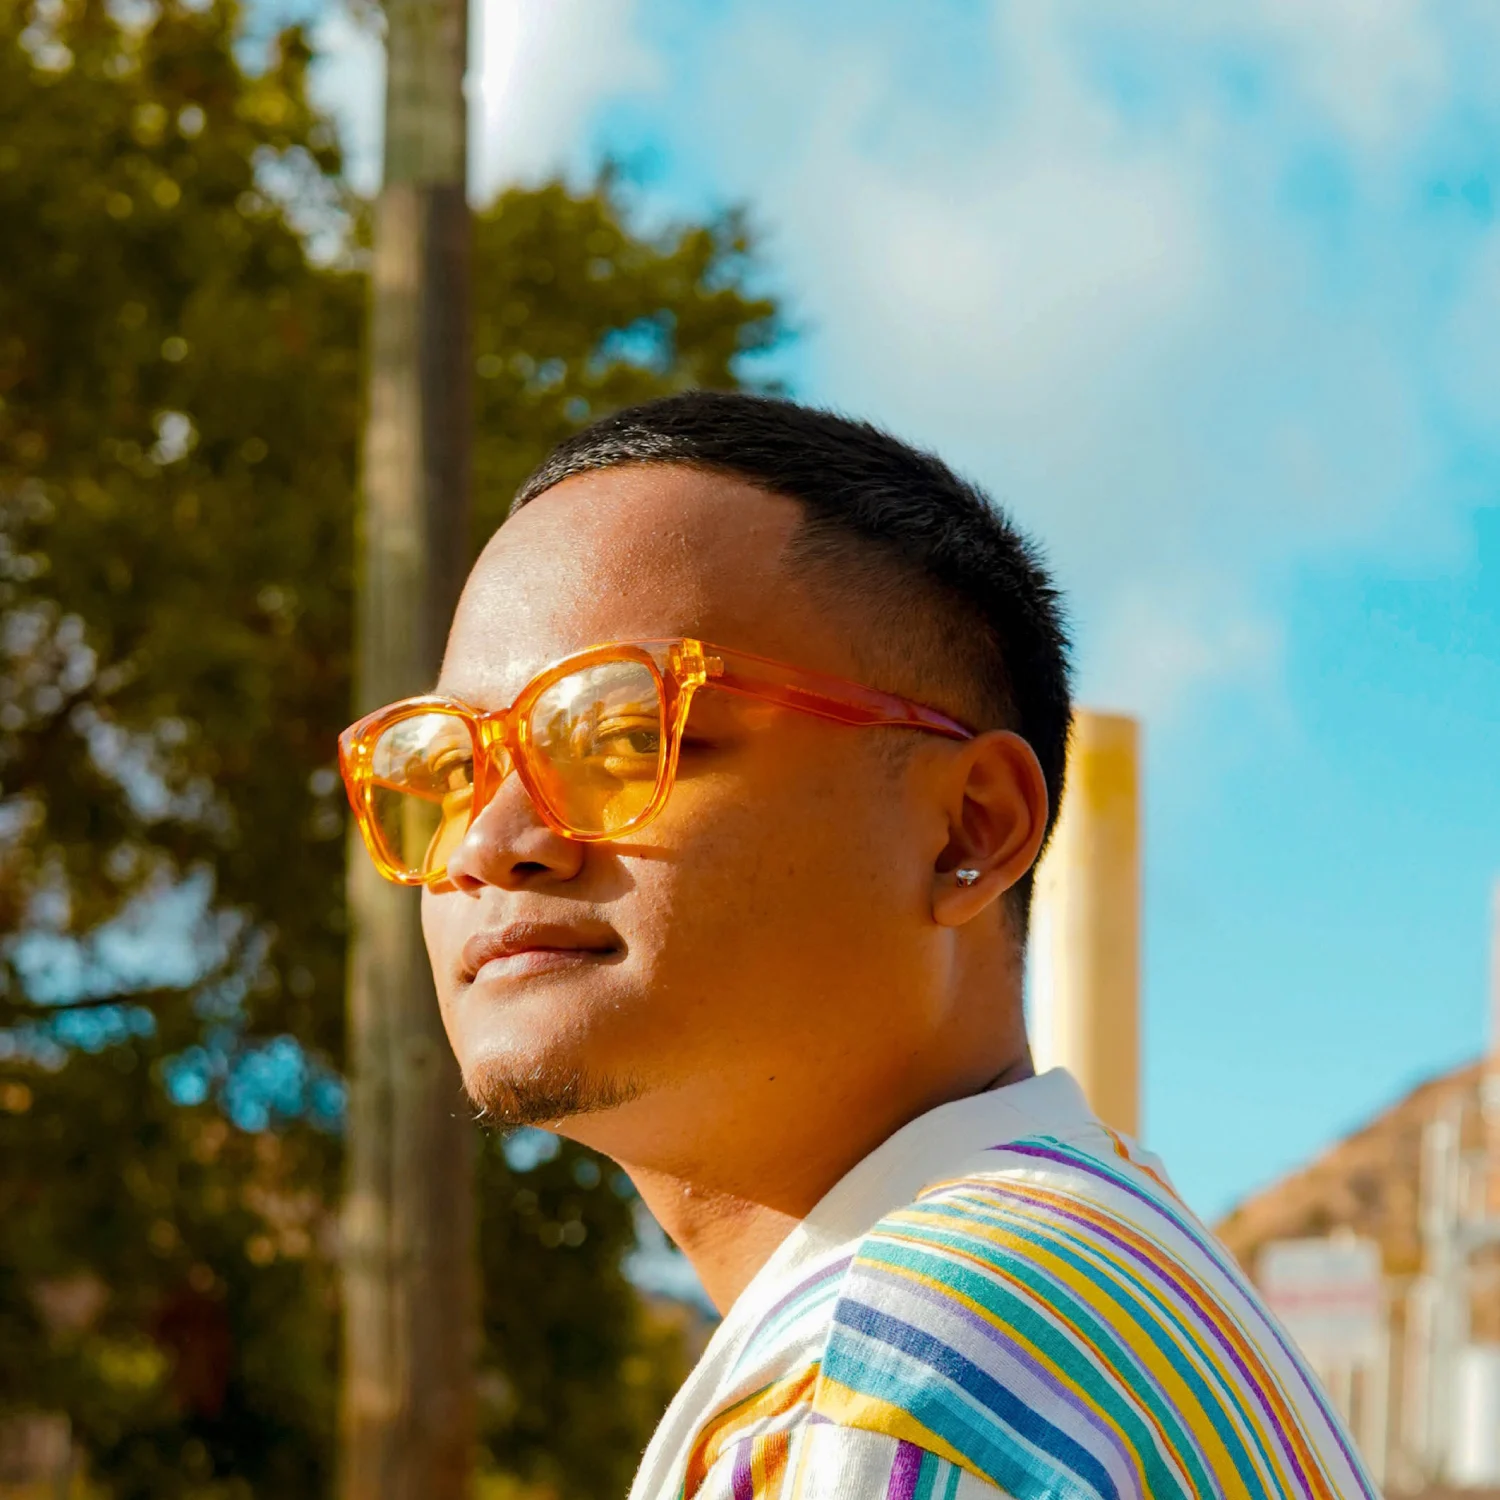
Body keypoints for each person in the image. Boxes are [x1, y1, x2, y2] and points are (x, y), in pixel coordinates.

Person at [339, 392, 1377, 1499]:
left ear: (969, 829)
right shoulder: (1098, 1293)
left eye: (621, 738)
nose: (491, 844)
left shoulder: (899, 1388)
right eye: (445, 771)